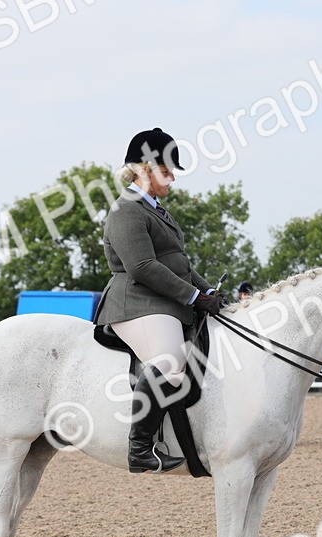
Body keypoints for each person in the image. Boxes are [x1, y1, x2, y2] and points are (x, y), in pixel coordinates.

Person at [95, 128, 226, 473]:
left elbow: (179, 264)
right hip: (135, 302)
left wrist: (208, 291)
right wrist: (195, 296)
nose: (172, 179)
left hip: (164, 302)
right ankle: (140, 448)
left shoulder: (157, 211)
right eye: (166, 170)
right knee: (170, 360)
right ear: (142, 169)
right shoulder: (126, 210)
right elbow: (142, 267)